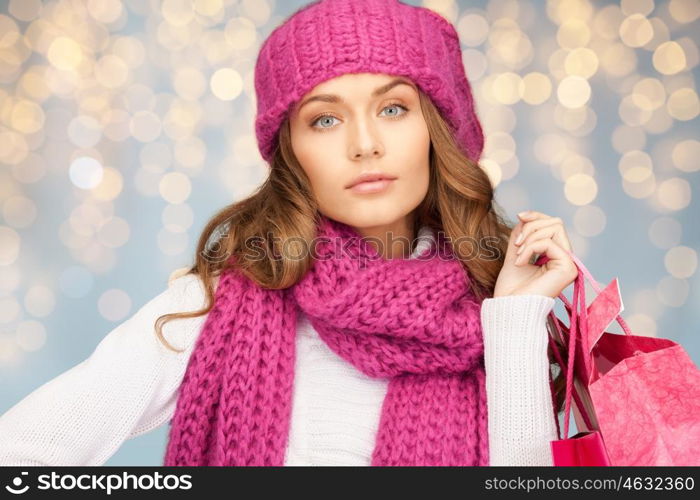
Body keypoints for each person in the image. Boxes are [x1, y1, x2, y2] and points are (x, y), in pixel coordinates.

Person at [0, 0, 578, 466]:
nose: (364, 144)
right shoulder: (217, 302)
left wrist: (515, 318)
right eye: (324, 119)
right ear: (291, 152)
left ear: (438, 129)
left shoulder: (496, 310)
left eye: (394, 109)